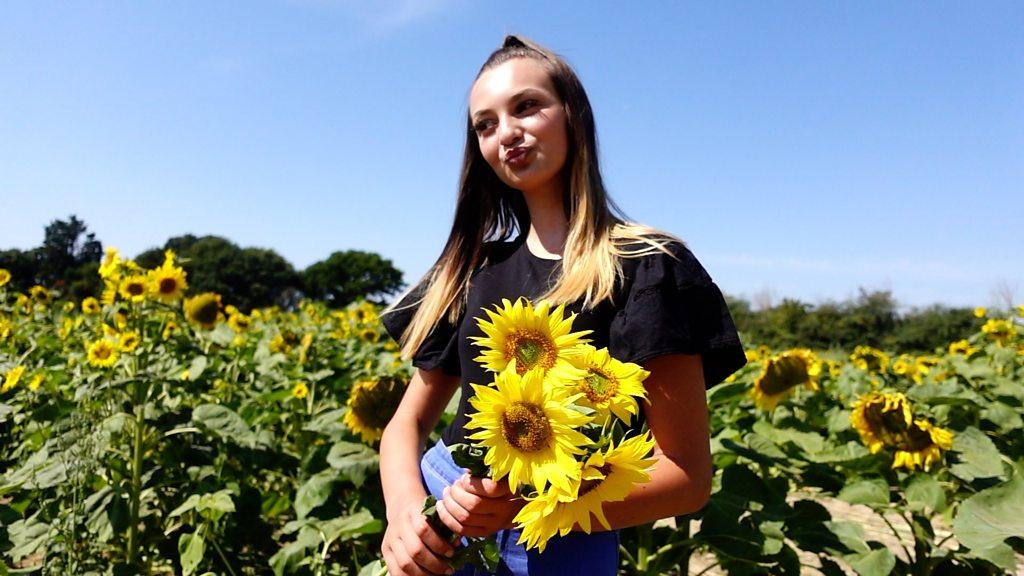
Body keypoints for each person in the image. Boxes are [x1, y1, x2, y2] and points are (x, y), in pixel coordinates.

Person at [378, 34, 746, 576]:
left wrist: (536, 508)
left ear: (573, 115)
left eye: (526, 106)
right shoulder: (469, 269)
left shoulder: (648, 267)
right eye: (486, 124)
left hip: (567, 536)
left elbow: (686, 476)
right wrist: (406, 513)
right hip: (445, 514)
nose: (507, 132)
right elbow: (405, 423)